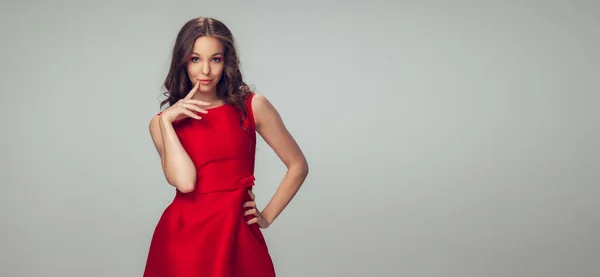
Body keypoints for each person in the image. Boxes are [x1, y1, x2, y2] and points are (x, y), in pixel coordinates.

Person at [143, 17, 309, 277]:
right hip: (182, 241)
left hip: (237, 235)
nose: (206, 71)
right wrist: (166, 123)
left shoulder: (252, 106)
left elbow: (298, 165)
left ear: (226, 61)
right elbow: (185, 183)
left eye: (215, 59)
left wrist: (266, 215)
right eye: (195, 59)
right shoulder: (162, 124)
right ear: (182, 61)